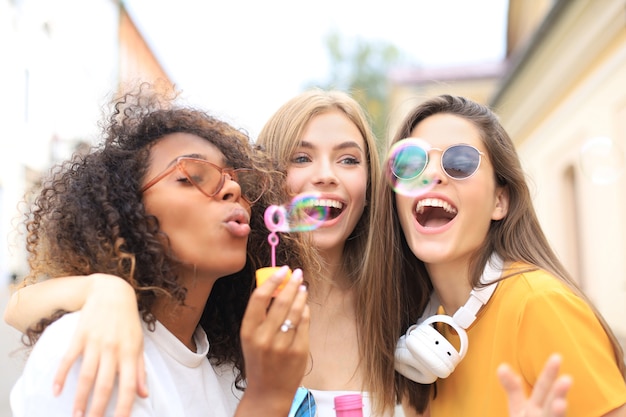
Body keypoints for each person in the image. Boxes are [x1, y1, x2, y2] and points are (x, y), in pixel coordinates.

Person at [5, 89, 573, 417]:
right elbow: (21, 304)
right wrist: (106, 291)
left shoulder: (407, 301)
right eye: (301, 158)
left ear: (371, 186)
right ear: (266, 182)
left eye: (350, 160)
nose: (326, 176)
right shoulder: (231, 297)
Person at [6, 83, 314, 417]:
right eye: (192, 176)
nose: (233, 189)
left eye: (233, 180)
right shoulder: (88, 347)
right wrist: (267, 399)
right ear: (130, 210)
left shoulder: (227, 376)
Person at [365, 94, 626, 416]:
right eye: (412, 164)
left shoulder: (540, 305)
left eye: (459, 162)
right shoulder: (429, 340)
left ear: (499, 201)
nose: (431, 174)